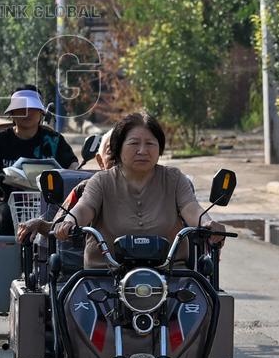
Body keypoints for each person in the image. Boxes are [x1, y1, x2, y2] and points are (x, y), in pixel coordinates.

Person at [52, 111, 226, 267]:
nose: (142, 150)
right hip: (105, 275)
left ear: (160, 149)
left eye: (150, 144)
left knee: (207, 301)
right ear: (118, 148)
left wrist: (207, 223)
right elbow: (84, 208)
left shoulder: (174, 178)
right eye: (134, 143)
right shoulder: (101, 180)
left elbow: (191, 208)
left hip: (170, 274)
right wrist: (70, 221)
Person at [0, 88, 78, 236]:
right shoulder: (0, 141)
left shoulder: (54, 140)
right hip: (8, 202)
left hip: (49, 204)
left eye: (32, 108)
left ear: (41, 113)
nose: (27, 113)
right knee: (6, 216)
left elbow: (72, 166)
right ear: (12, 113)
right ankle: (7, 258)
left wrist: (75, 170)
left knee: (70, 222)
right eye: (21, 108)